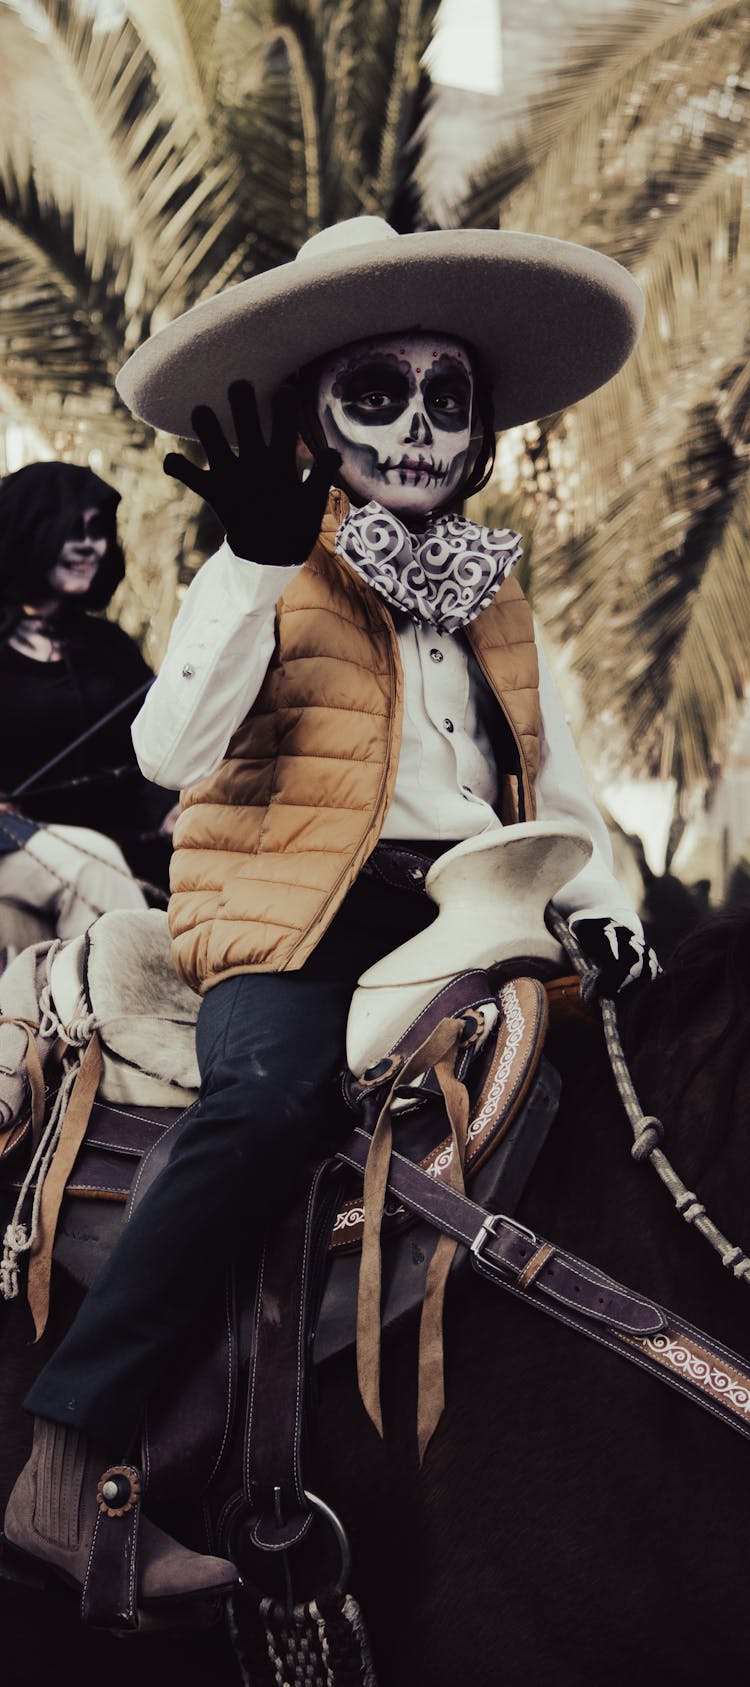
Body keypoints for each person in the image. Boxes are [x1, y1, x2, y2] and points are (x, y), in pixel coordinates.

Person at [3, 218, 658, 1615]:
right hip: (294, 918)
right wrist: (249, 559)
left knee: (631, 1098)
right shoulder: (264, 567)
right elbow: (173, 752)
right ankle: (71, 1448)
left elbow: (560, 783)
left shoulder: (497, 603)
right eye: (377, 392)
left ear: (477, 433)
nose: (415, 426)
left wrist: (603, 905)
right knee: (269, 1103)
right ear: (311, 413)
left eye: (447, 397)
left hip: (475, 911)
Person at [0, 461, 176, 941]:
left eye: (97, 530)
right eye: (69, 529)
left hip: (111, 849)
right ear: (26, 531)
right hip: (19, 850)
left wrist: (170, 808)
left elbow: (152, 743)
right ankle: (133, 1014)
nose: (87, 546)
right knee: (94, 870)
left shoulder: (108, 647)